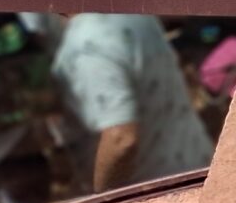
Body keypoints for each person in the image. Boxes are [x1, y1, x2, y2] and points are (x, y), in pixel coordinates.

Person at [46, 13, 215, 192]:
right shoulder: (133, 13)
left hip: (158, 193)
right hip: (197, 168)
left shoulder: (84, 47)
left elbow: (120, 139)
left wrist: (102, 200)